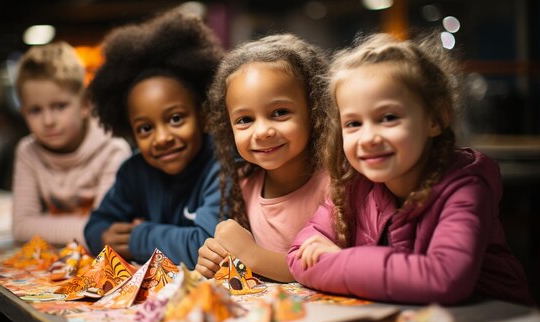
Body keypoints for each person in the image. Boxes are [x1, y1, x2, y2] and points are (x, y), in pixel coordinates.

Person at [287, 33, 534, 305]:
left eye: (389, 118)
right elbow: (299, 255)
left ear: (435, 119)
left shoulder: (465, 187)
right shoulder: (354, 185)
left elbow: (443, 279)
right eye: (353, 123)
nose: (368, 137)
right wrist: (337, 263)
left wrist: (338, 261)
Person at [83, 9, 224, 269]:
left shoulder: (221, 165)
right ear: (130, 130)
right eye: (145, 128)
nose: (161, 138)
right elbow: (95, 227)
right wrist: (103, 236)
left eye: (176, 119)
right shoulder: (134, 171)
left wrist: (140, 236)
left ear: (205, 115)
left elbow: (207, 248)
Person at [195, 34, 331, 282]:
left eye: (280, 112)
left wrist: (250, 254)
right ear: (228, 126)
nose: (262, 132)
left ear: (315, 111)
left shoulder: (334, 185)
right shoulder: (243, 184)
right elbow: (242, 268)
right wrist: (216, 259)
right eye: (245, 120)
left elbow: (328, 269)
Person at [12, 41, 132, 246]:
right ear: (23, 112)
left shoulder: (113, 150)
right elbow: (21, 227)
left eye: (60, 106)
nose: (48, 121)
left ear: (85, 104)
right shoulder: (27, 151)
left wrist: (41, 225)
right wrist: (93, 231)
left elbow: (108, 228)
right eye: (35, 110)